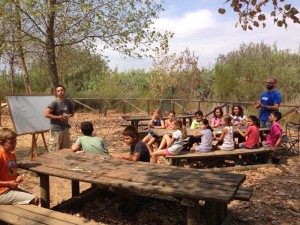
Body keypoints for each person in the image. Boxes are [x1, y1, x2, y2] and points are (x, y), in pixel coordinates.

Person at [0, 128, 39, 205]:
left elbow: (11, 172)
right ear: (1, 143)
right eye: (11, 142)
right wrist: (8, 183)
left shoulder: (12, 155)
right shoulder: (1, 157)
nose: (14, 144)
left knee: (33, 198)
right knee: (34, 199)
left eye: (15, 141)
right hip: (2, 193)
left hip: (9, 189)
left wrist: (17, 176)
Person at [45, 84, 74, 152]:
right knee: (55, 151)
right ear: (56, 93)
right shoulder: (54, 102)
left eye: (61, 90)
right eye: (58, 91)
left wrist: (68, 115)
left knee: (66, 150)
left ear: (64, 91)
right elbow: (46, 114)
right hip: (55, 130)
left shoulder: (68, 102)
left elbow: (72, 114)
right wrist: (58, 117)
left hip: (65, 129)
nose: (60, 92)